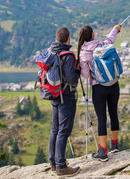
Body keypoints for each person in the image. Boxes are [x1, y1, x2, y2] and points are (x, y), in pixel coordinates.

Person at [78, 24, 121, 162]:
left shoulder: (83, 53)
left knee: (101, 118)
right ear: (93, 34)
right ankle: (114, 144)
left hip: (98, 88)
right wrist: (115, 29)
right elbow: (111, 39)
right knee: (113, 113)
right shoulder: (102, 44)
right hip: (113, 84)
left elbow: (85, 75)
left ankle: (103, 152)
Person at [49, 27, 81, 177]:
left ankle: (53, 163)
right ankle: (61, 166)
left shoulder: (52, 52)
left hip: (54, 94)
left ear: (57, 39)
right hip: (66, 96)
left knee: (55, 129)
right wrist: (78, 70)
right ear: (68, 39)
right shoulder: (68, 56)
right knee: (64, 130)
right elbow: (72, 80)